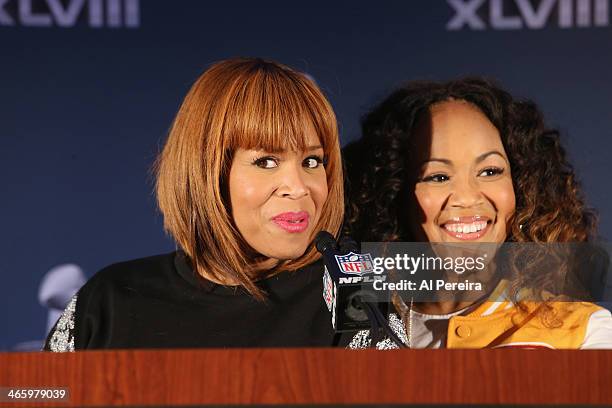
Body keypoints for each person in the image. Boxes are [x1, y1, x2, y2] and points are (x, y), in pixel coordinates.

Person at [44, 58, 346, 351]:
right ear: (206, 172)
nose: (298, 187)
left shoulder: (356, 289)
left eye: (311, 160)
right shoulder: (110, 299)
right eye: (266, 161)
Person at [343, 78, 612, 349]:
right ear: (395, 194)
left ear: (521, 187)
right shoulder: (353, 332)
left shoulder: (584, 330)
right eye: (437, 176)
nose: (468, 197)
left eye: (490, 171)